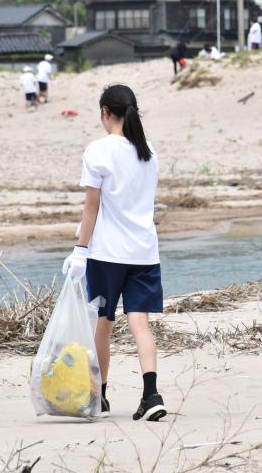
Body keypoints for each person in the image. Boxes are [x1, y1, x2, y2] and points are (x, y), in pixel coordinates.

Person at [62, 84, 167, 421]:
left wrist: (80, 250)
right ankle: (151, 396)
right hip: (144, 253)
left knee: (103, 324)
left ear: (105, 112)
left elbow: (91, 206)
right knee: (140, 324)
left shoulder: (98, 150)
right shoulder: (148, 151)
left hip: (106, 255)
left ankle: (100, 397)